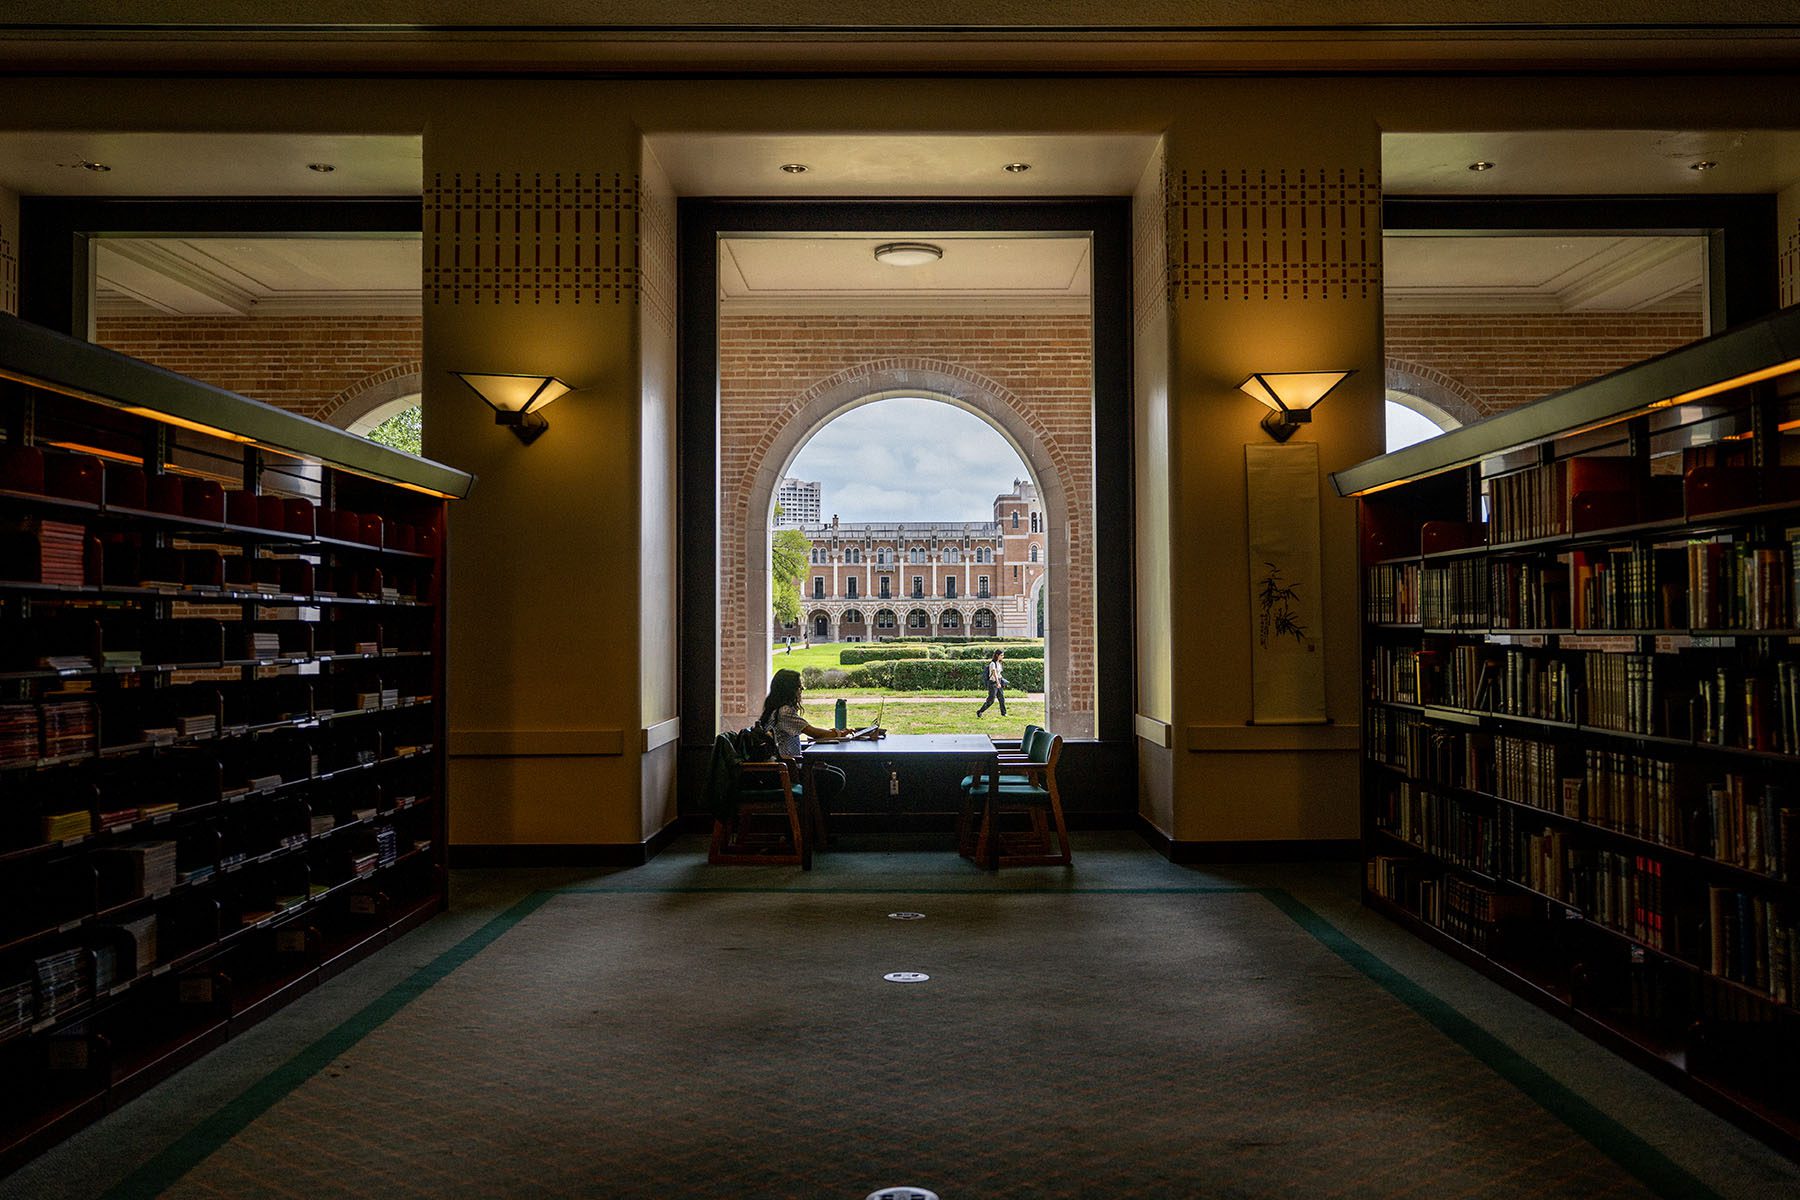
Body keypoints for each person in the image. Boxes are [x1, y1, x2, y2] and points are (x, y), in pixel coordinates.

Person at [758, 667, 848, 825]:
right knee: (834, 778)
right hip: (787, 771)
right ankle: (813, 827)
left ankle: (815, 827)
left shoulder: (775, 710)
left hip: (785, 767)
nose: (802, 690)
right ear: (790, 690)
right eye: (799, 687)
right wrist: (838, 733)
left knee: (834, 773)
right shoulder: (785, 712)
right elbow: (813, 732)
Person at [974, 648, 1008, 717]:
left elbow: (999, 673)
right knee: (991, 700)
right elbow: (994, 674)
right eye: (1001, 655)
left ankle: (1003, 713)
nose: (1002, 657)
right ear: (997, 655)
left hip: (999, 681)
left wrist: (1002, 680)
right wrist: (998, 683)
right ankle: (980, 711)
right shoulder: (993, 664)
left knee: (1001, 698)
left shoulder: (999, 663)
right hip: (993, 683)